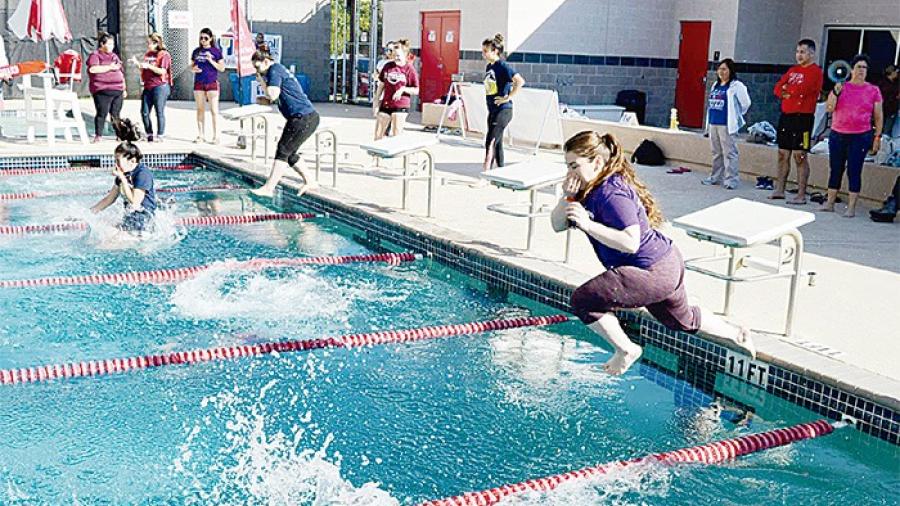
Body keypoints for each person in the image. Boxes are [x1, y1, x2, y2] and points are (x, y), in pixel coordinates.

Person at [550, 131, 754, 375]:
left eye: (574, 166)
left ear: (596, 162)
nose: (570, 173)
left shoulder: (610, 193)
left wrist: (588, 225)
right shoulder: (588, 189)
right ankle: (736, 333)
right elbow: (558, 225)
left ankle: (626, 350)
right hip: (666, 263)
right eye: (567, 166)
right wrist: (567, 197)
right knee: (681, 320)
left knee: (584, 301)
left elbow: (631, 242)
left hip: (651, 271)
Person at [249, 51, 320, 198]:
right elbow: (274, 97)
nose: (257, 71)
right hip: (305, 117)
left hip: (303, 118)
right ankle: (310, 181)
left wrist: (262, 82)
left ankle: (269, 188)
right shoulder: (276, 71)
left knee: (283, 150)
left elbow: (273, 94)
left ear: (266, 62)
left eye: (258, 67)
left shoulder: (274, 70)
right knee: (290, 154)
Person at [821, 54, 883, 218]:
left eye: (864, 68)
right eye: (858, 67)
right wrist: (835, 92)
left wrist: (877, 137)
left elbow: (878, 115)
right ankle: (830, 202)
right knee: (836, 168)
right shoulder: (842, 87)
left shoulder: (873, 90)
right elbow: (829, 108)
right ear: (851, 69)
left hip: (860, 135)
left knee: (854, 170)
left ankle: (851, 207)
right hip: (838, 133)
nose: (861, 71)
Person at [770, 39, 823, 204]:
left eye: (803, 52)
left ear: (811, 54)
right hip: (787, 116)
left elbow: (804, 90)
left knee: (799, 155)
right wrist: (785, 91)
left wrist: (789, 90)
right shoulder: (792, 70)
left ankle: (801, 193)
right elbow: (778, 88)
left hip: (803, 118)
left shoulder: (815, 72)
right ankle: (780, 189)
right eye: (798, 51)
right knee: (782, 153)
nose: (799, 55)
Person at [91, 119, 157, 234]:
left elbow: (135, 203)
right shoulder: (123, 174)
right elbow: (108, 200)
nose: (115, 164)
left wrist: (122, 179)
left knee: (106, 245)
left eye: (118, 160)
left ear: (132, 160)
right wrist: (88, 214)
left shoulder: (143, 174)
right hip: (130, 221)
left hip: (144, 225)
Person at [702, 59, 751, 190]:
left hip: (726, 124)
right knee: (716, 152)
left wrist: (736, 114)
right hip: (714, 122)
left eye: (724, 69)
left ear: (731, 70)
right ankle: (715, 177)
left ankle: (731, 180)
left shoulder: (736, 86)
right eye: (720, 69)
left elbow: (746, 103)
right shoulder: (715, 85)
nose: (721, 72)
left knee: (729, 152)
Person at [482, 33, 524, 172]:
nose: (483, 54)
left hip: (503, 109)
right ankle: (501, 170)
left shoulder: (503, 66)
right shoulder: (490, 67)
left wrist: (508, 97)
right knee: (498, 142)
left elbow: (519, 81)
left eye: (486, 51)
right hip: (493, 109)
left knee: (491, 141)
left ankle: (485, 173)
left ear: (495, 51)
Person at [372, 38, 418, 140]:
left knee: (396, 134)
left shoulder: (409, 69)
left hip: (400, 104)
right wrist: (376, 103)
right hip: (386, 103)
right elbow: (381, 86)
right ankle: (377, 156)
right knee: (378, 134)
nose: (396, 58)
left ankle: (400, 154)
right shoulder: (388, 66)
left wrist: (403, 89)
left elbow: (416, 89)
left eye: (399, 56)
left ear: (405, 56)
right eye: (395, 55)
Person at [131, 33, 171, 143]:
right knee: (144, 111)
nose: (147, 45)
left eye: (149, 43)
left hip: (160, 86)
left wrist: (149, 66)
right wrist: (137, 64)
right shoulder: (148, 54)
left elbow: (162, 71)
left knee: (159, 111)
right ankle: (149, 134)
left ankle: (160, 135)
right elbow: (144, 69)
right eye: (147, 43)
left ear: (156, 43)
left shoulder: (164, 55)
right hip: (148, 86)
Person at [87, 32, 126, 143]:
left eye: (112, 44)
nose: (111, 47)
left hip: (117, 89)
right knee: (102, 113)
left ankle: (119, 135)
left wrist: (124, 87)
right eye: (109, 44)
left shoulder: (114, 56)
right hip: (102, 90)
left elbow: (120, 72)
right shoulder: (95, 55)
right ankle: (98, 135)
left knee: (116, 114)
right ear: (102, 44)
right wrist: (109, 67)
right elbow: (93, 69)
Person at [191, 28, 225, 144]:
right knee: (200, 109)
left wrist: (211, 61)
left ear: (210, 38)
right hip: (199, 82)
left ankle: (216, 136)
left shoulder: (216, 52)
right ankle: (201, 135)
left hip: (211, 82)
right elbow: (192, 66)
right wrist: (193, 69)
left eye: (206, 38)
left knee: (214, 110)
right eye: (201, 38)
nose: (203, 40)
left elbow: (222, 68)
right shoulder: (196, 51)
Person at [877, 64, 899, 138]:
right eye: (896, 72)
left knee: (887, 130)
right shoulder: (882, 83)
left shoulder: (896, 83)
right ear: (892, 72)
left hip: (891, 110)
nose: (897, 74)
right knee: (882, 129)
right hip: (883, 108)